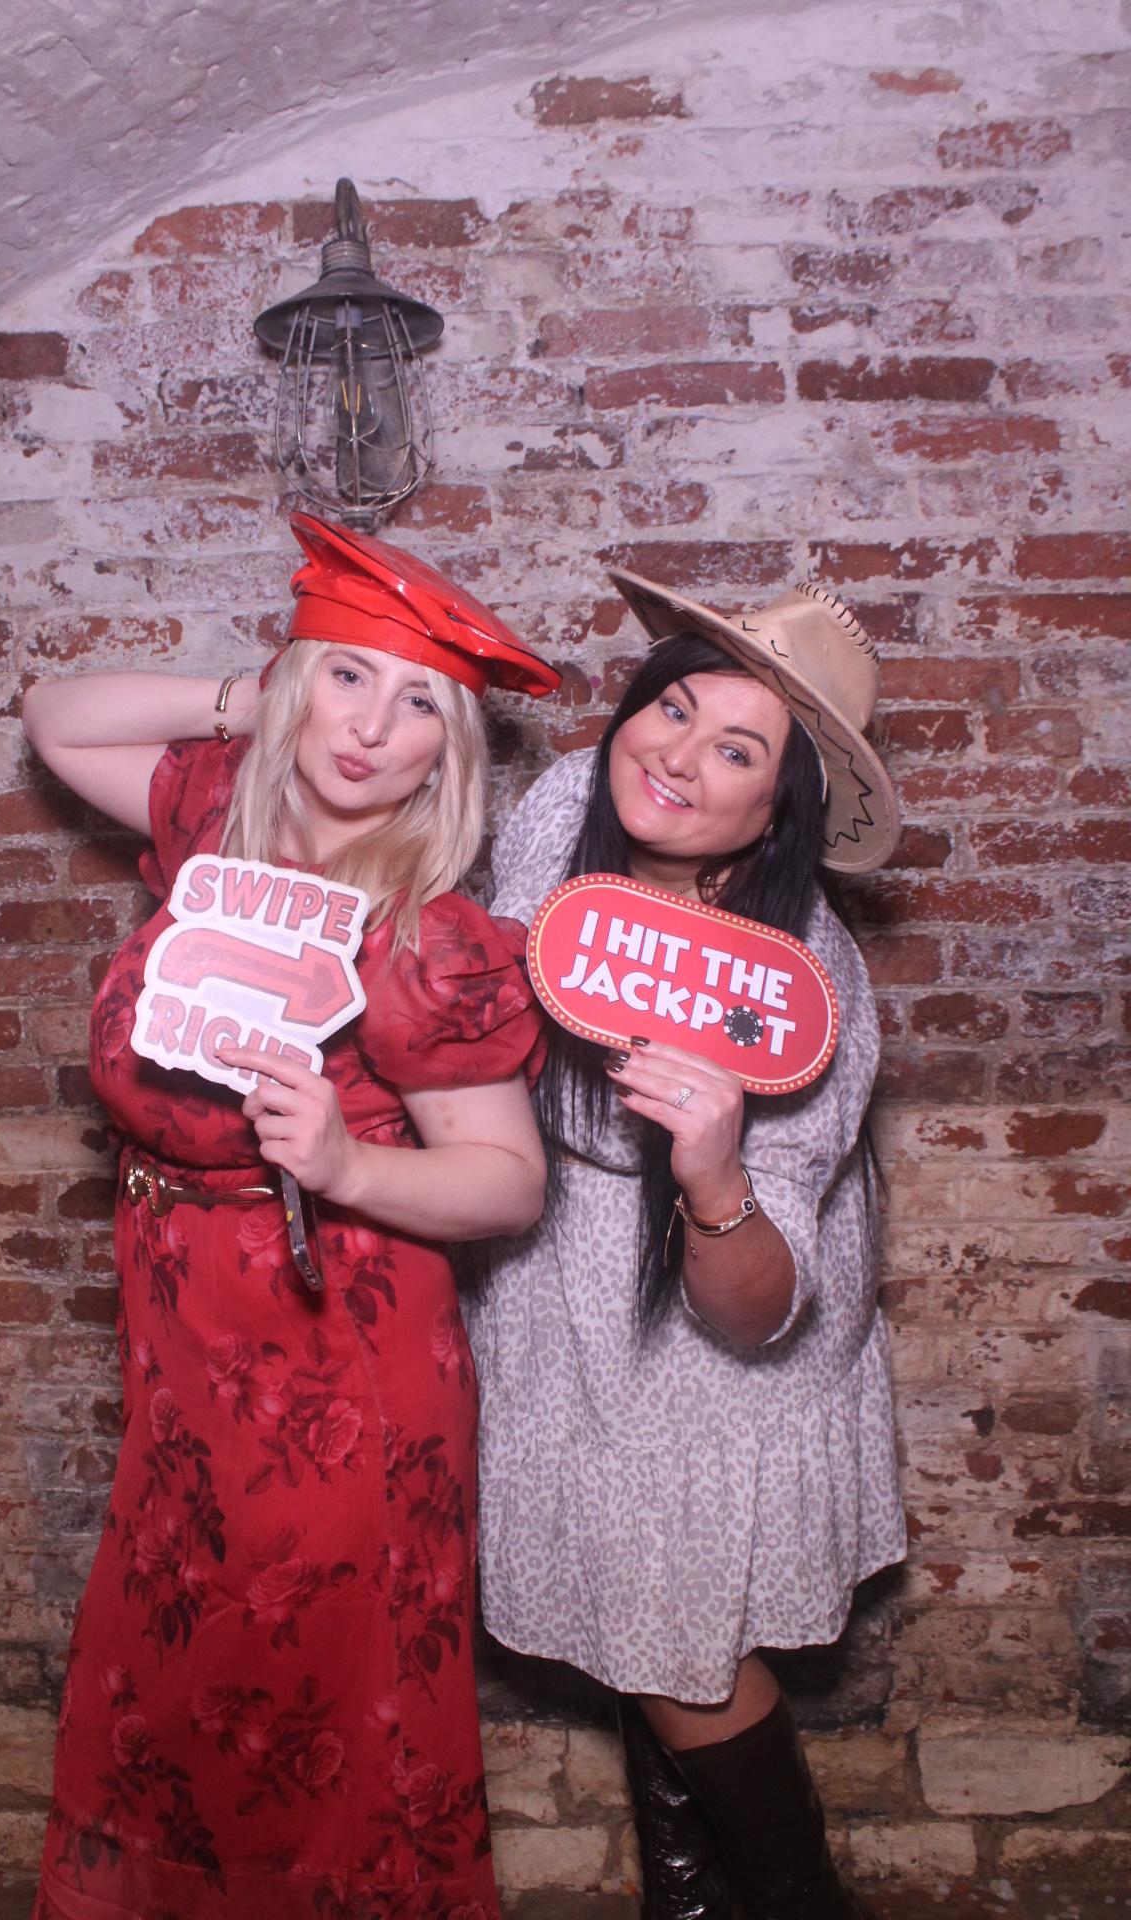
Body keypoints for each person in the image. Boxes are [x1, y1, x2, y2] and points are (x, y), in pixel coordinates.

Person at [21, 510, 559, 1920]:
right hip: (182, 1351)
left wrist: (345, 1164)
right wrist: (239, 699)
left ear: (452, 750)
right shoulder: (212, 817)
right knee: (185, 1686)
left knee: (318, 1711)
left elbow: (510, 1182)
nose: (373, 729)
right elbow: (53, 719)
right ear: (294, 679)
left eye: (419, 706)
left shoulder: (429, 936)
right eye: (349, 677)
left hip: (341, 1364)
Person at [465, 569, 907, 1919]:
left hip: (719, 1317)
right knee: (632, 1614)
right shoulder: (558, 819)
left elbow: (759, 1306)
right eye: (675, 708)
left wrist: (713, 1172)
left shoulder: (805, 987)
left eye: (738, 748)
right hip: (560, 1282)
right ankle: (689, 1896)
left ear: (780, 807)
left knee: (675, 1642)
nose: (678, 753)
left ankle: (799, 1900)